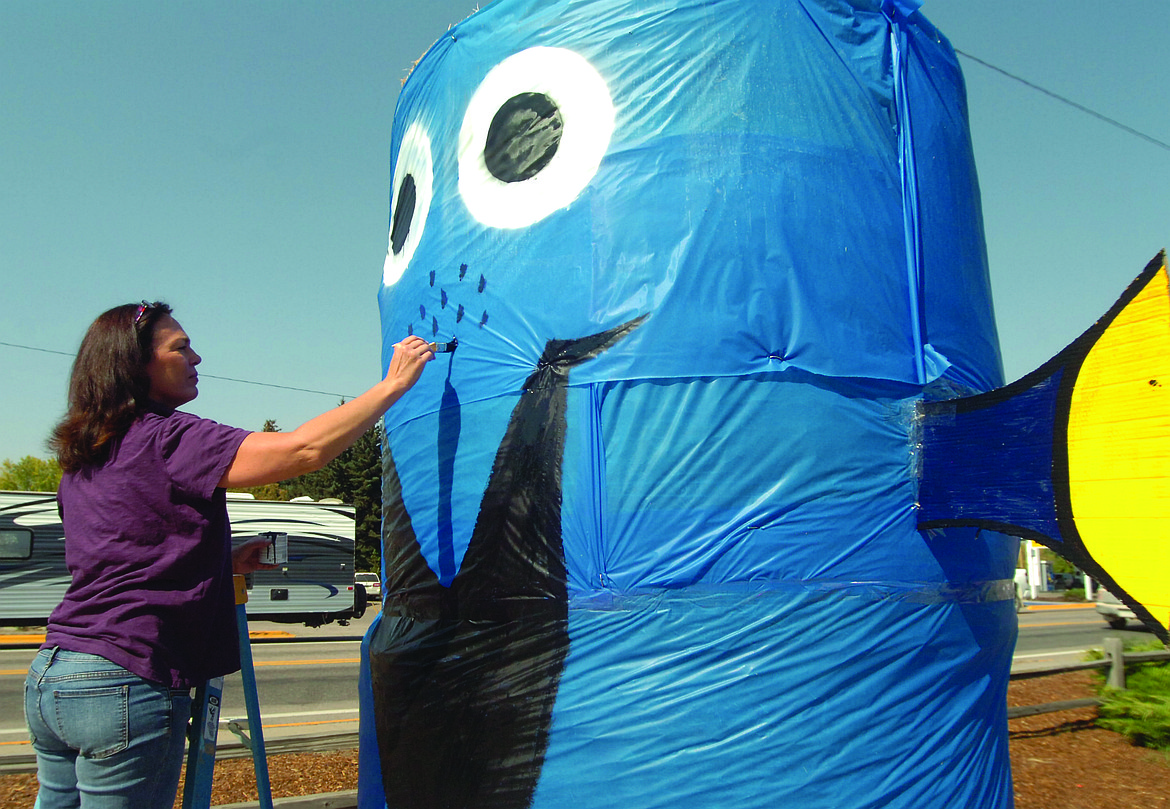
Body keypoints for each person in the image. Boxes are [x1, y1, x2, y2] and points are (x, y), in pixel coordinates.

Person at [24, 300, 433, 809]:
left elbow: (120, 553)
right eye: (181, 348)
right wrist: (392, 386)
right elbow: (301, 451)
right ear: (134, 364)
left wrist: (222, 557)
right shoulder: (167, 436)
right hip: (127, 675)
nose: (196, 357)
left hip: (54, 675)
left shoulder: (86, 460)